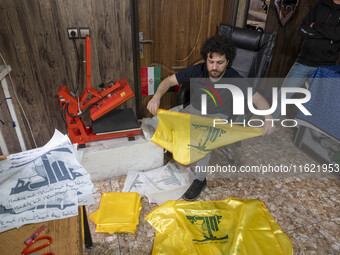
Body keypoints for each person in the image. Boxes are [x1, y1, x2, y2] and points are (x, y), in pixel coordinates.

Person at [147, 34, 275, 201]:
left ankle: (200, 180)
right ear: (206, 58)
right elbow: (168, 81)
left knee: (204, 138)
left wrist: (269, 117)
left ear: (228, 61)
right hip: (195, 110)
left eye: (220, 63)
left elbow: (257, 98)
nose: (214, 67)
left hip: (217, 116)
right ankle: (177, 148)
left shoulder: (234, 78)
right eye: (211, 61)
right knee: (161, 120)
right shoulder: (198, 70)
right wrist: (156, 97)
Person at [272, 0, 340, 119]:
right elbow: (302, 29)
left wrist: (316, 25)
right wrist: (326, 35)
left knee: (316, 104)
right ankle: (268, 123)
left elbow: (337, 35)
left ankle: (304, 133)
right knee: (282, 95)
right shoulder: (320, 5)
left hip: (325, 67)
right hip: (304, 61)